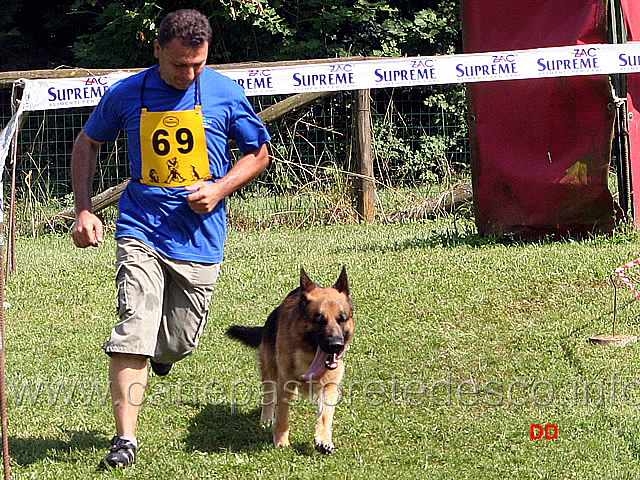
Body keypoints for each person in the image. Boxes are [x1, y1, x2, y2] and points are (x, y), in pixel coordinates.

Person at [70, 9, 270, 469]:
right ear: (157, 49)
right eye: (179, 64)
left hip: (200, 239)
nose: (188, 73)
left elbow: (258, 153)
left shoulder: (223, 91)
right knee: (134, 326)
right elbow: (86, 144)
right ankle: (125, 441)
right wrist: (84, 209)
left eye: (197, 64)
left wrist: (220, 188)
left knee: (178, 343)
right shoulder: (127, 93)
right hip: (140, 229)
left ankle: (162, 355)